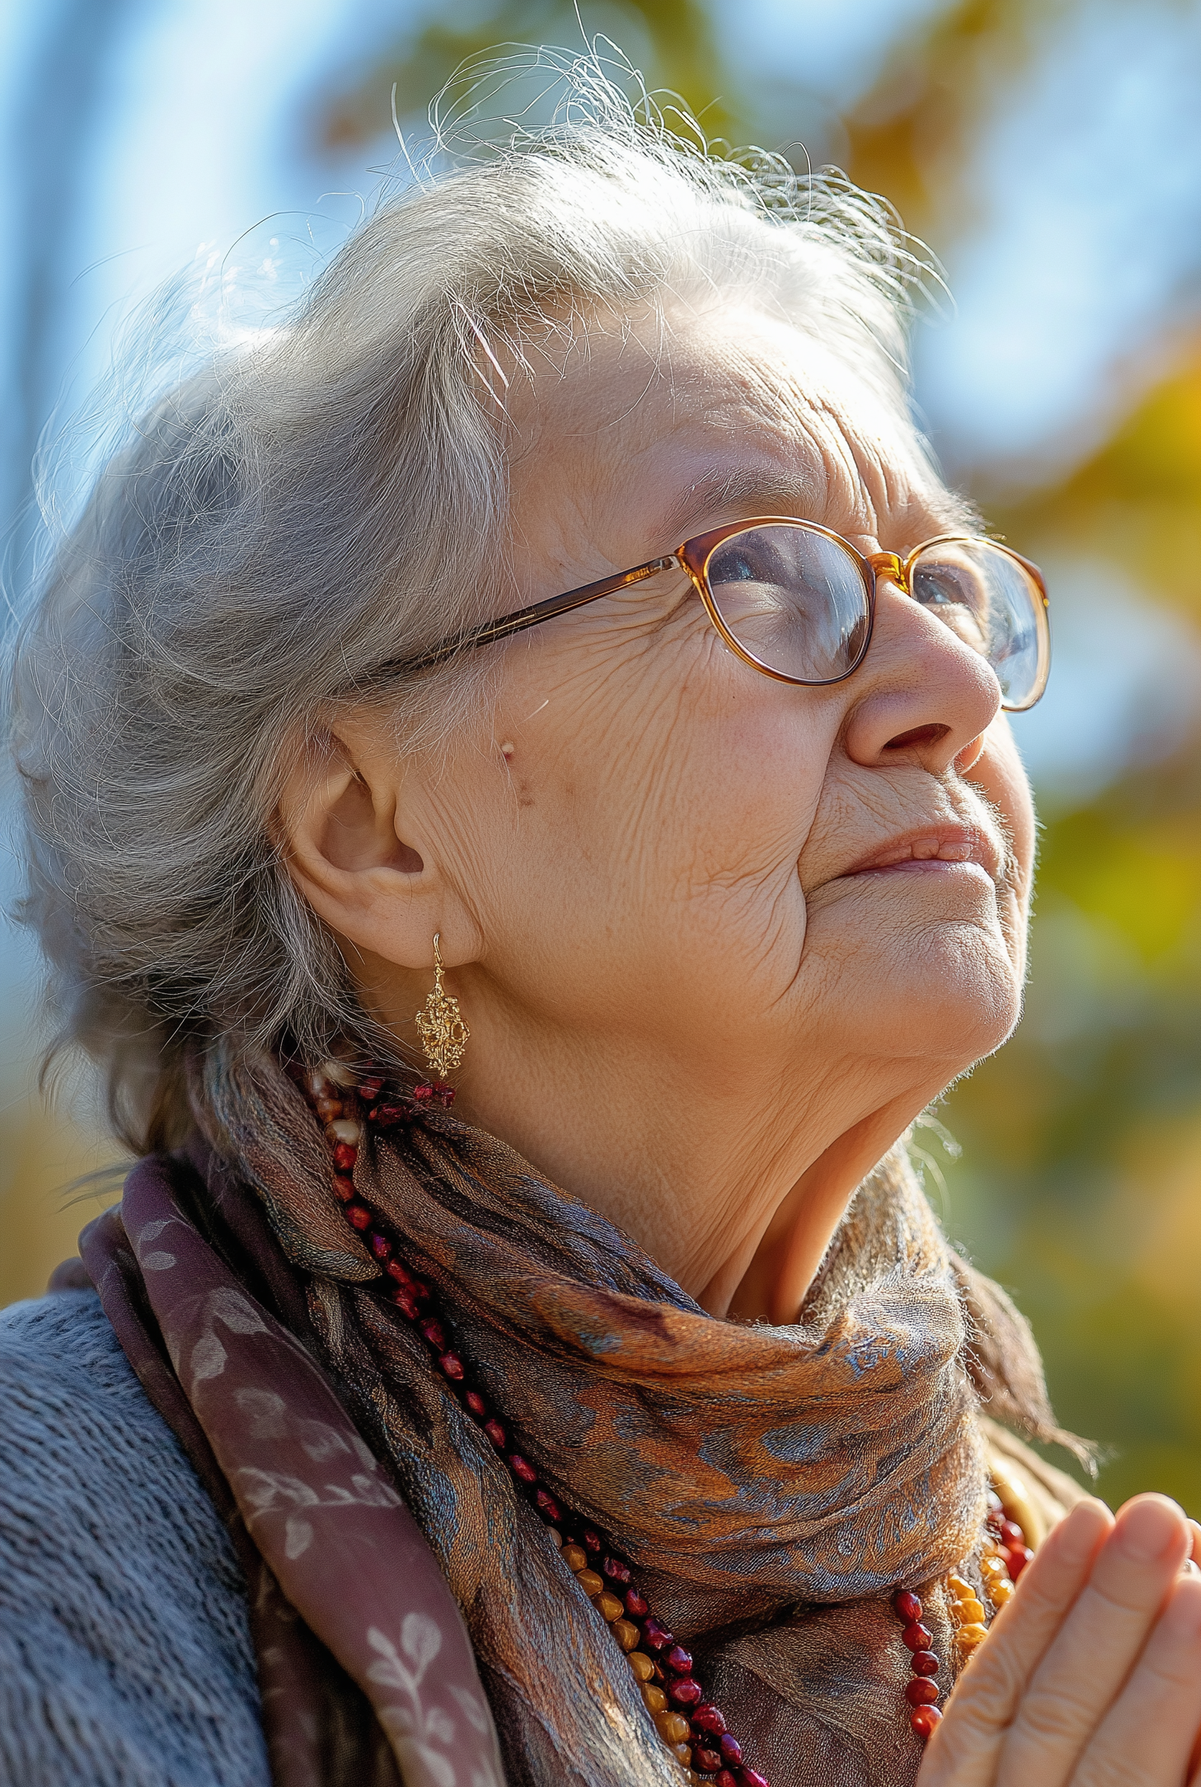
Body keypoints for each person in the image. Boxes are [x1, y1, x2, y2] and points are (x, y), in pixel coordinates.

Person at [3, 56, 1201, 1787]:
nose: (945, 681)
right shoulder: (56, 1532)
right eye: (764, 577)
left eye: (941, 582)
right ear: (375, 832)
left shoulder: (1074, 1603)